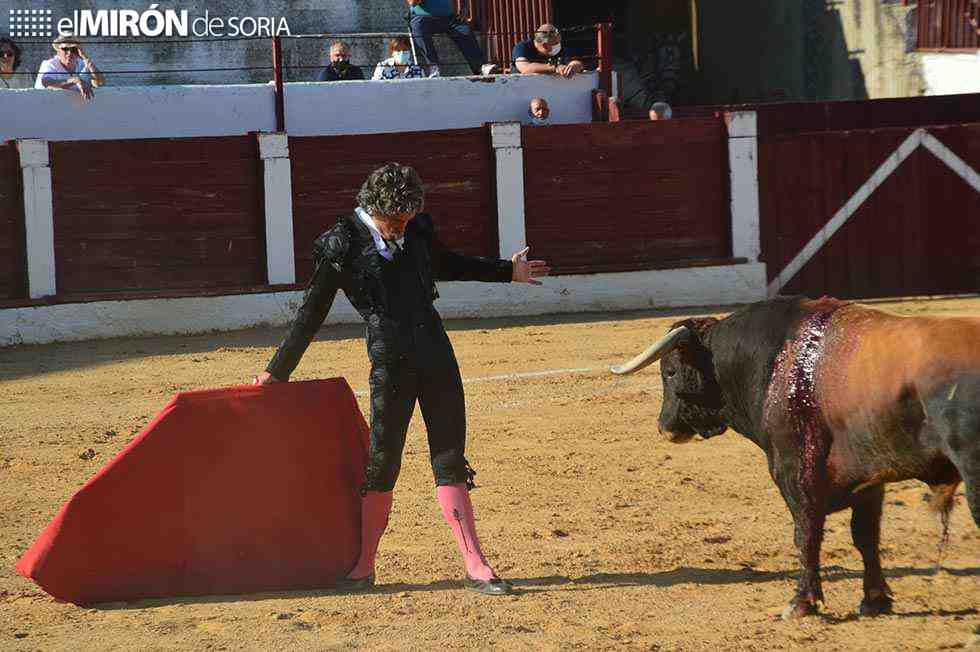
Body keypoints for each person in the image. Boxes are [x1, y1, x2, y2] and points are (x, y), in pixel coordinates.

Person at [255, 163, 549, 595]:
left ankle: (477, 565)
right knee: (382, 463)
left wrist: (508, 271)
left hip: (435, 353)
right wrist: (276, 370)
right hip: (389, 363)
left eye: (409, 218)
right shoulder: (341, 244)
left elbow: (446, 262)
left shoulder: (416, 230)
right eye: (397, 220)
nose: (403, 227)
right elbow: (311, 312)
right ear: (373, 209)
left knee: (449, 458)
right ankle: (363, 567)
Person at [406, 0, 497, 77]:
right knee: (418, 27)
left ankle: (480, 67)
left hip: (449, 17)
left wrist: (464, 9)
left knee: (464, 29)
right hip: (423, 18)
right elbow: (412, 2)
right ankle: (433, 67)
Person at [35, 35, 104, 100]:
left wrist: (85, 58)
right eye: (65, 49)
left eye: (73, 49)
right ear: (58, 51)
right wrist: (75, 80)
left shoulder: (82, 64)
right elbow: (46, 82)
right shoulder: (50, 64)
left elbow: (100, 82)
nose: (69, 53)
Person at [512, 24, 584, 78]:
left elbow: (575, 62)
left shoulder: (559, 49)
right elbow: (525, 68)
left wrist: (574, 66)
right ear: (545, 45)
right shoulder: (522, 47)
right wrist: (555, 68)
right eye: (556, 43)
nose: (559, 45)